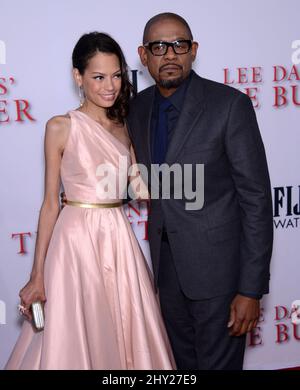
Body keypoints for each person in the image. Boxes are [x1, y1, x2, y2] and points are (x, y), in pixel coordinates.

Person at [5, 32, 175, 370]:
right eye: (98, 77)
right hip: (75, 240)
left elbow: (140, 189)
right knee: (75, 331)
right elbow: (50, 204)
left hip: (118, 238)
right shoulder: (61, 127)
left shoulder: (125, 126)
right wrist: (37, 274)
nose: (110, 86)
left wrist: (199, 176)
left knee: (123, 327)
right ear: (77, 77)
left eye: (116, 76)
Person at [126, 13, 274, 370]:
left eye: (179, 45)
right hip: (165, 274)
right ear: (144, 57)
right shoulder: (137, 108)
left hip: (221, 278)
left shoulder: (229, 105)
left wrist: (250, 289)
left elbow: (255, 200)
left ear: (193, 50)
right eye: (158, 47)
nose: (170, 54)